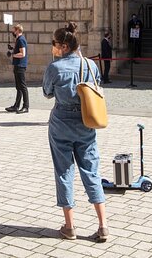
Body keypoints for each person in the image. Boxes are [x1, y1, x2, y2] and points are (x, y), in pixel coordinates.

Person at [42, 22, 109, 242]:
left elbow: (47, 93)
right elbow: (96, 88)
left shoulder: (55, 67)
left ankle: (69, 226)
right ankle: (103, 225)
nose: (52, 48)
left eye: (54, 44)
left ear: (62, 46)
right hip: (86, 123)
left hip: (61, 122)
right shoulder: (90, 65)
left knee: (64, 172)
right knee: (91, 171)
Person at [5, 23, 29, 114]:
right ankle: (16, 105)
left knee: (22, 86)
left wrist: (12, 54)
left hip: (20, 65)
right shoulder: (18, 39)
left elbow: (23, 54)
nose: (12, 32)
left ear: (18, 30)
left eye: (13, 30)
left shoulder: (21, 39)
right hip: (17, 65)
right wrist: (13, 49)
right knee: (18, 87)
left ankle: (26, 106)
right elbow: (19, 50)